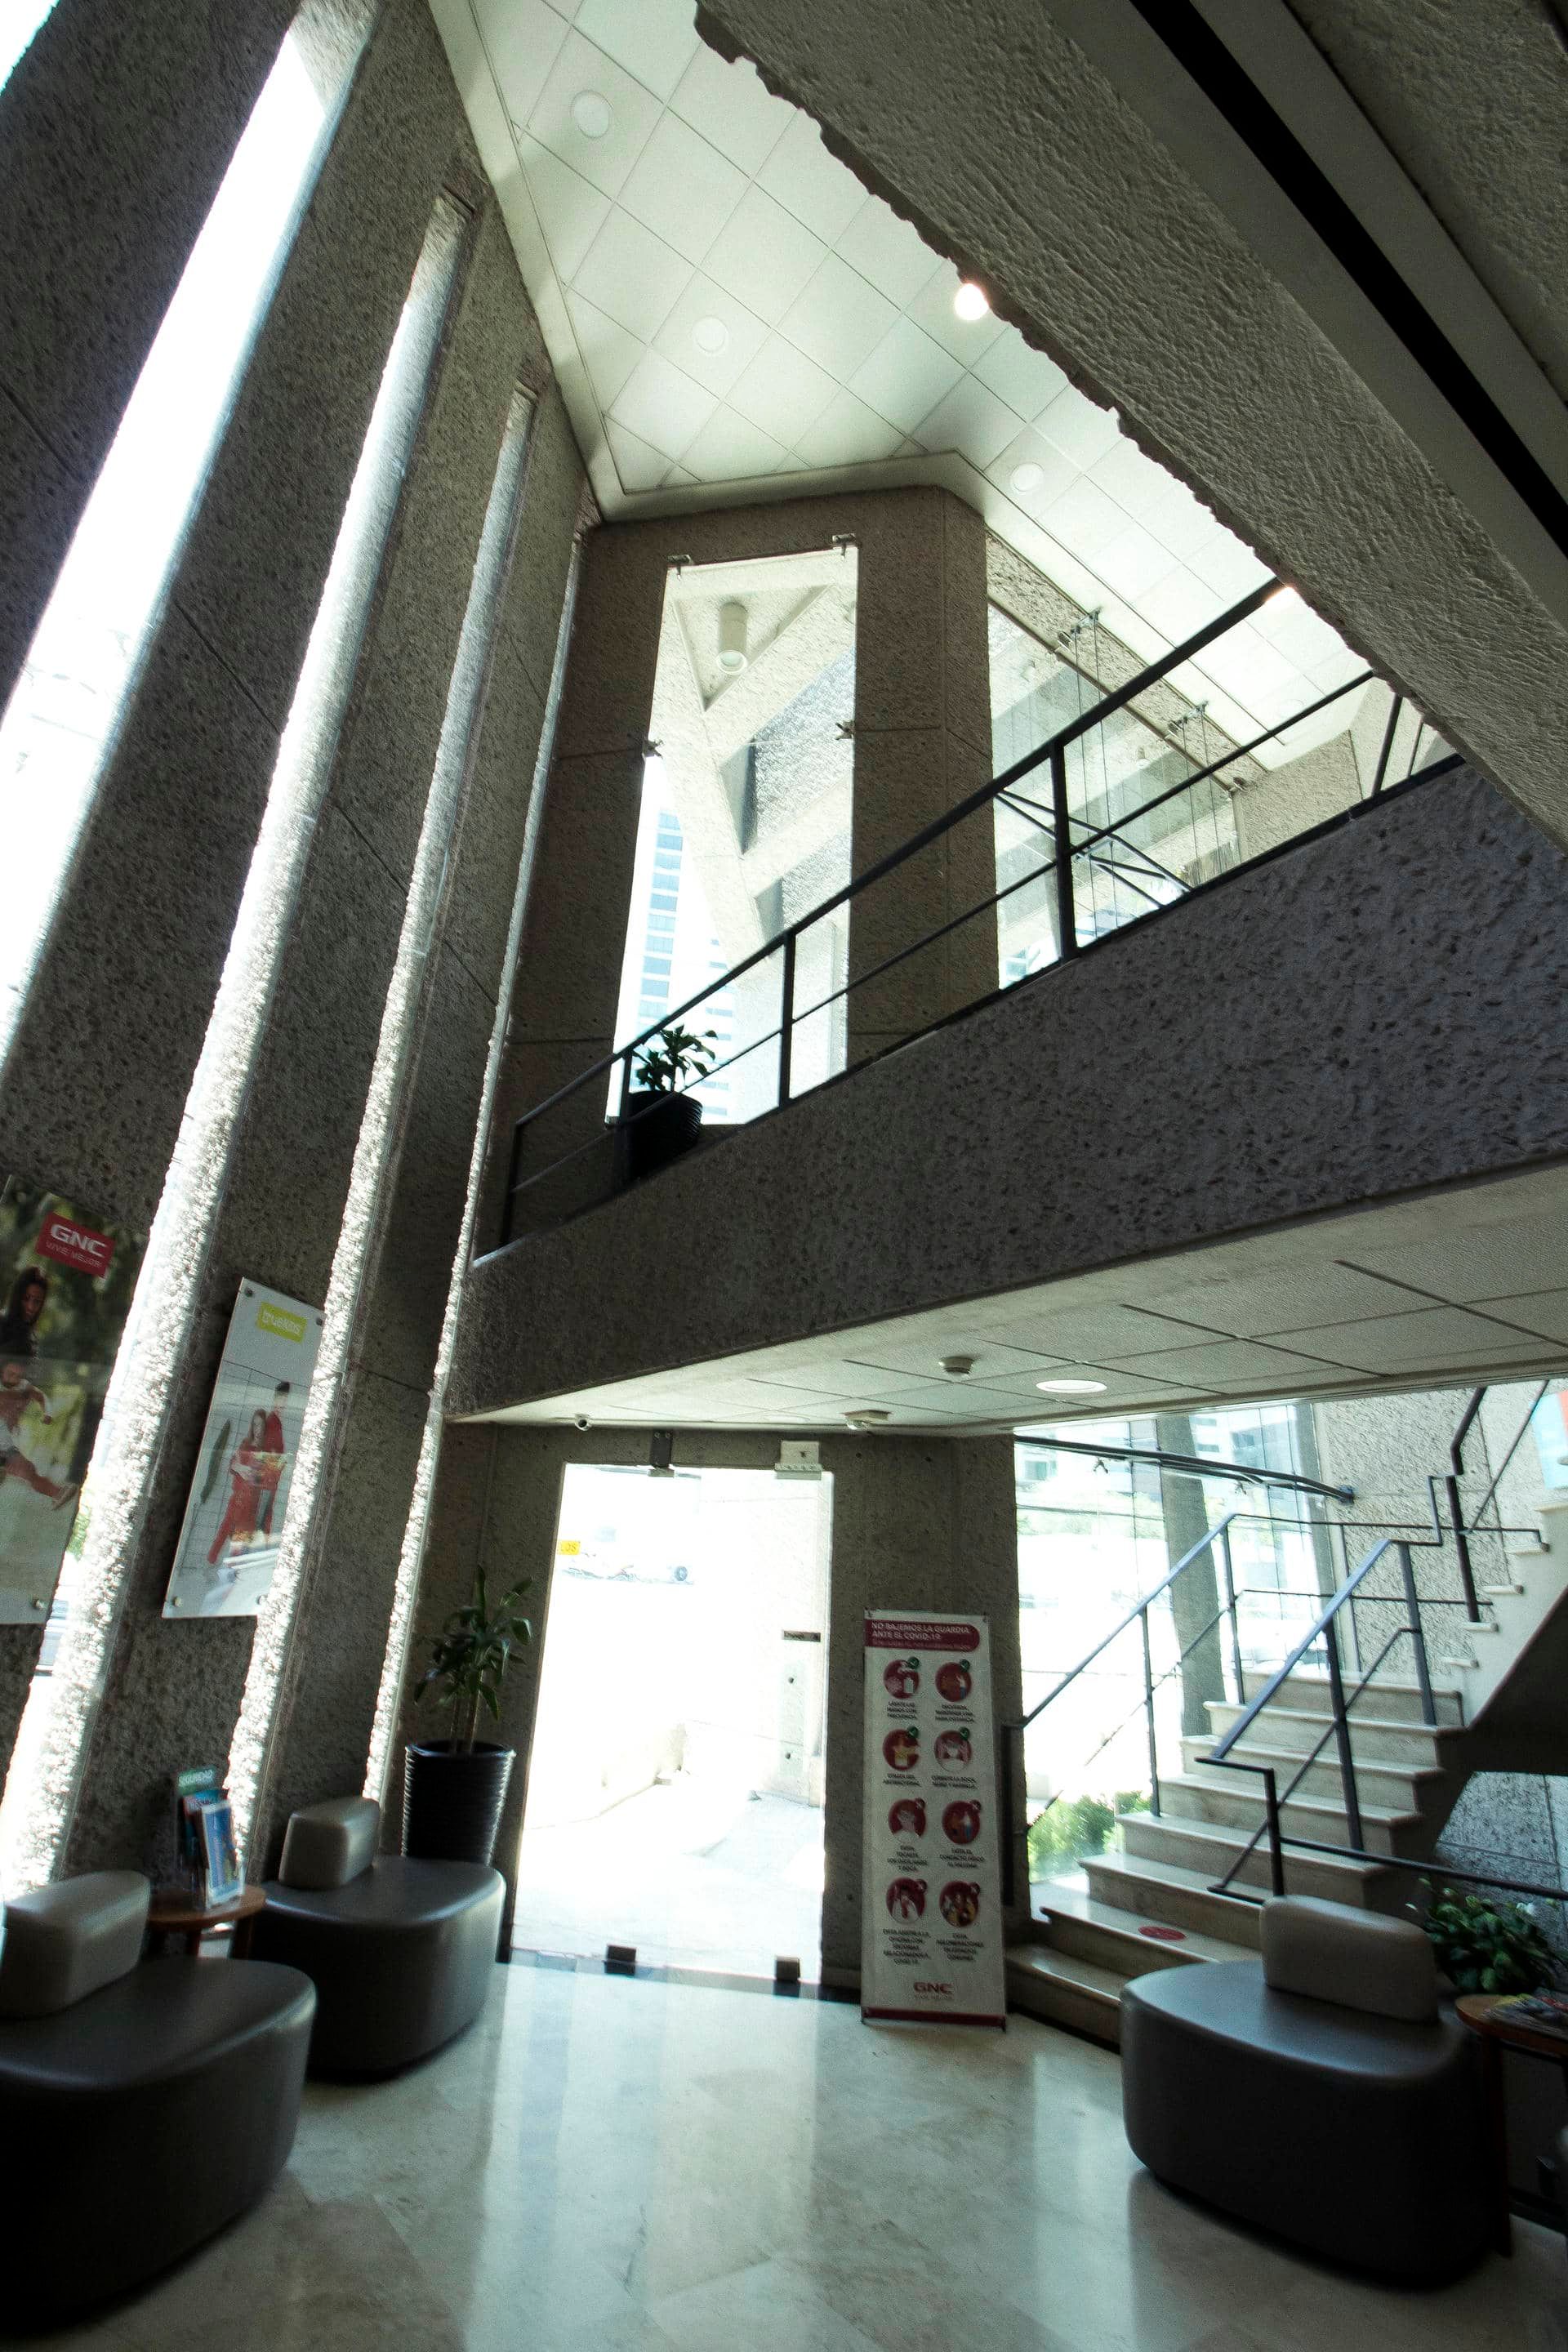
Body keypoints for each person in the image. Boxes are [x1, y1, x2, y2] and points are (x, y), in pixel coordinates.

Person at [0, 1358, 73, 1507]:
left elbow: (40, 1397)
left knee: (28, 1471)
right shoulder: (13, 1394)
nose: (15, 1379)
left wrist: (47, 1413)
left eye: (18, 1376)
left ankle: (57, 1493)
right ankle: (56, 1492)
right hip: (5, 1448)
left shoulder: (24, 1388)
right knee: (25, 1470)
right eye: (11, 1374)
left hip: (6, 1446)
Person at [207, 1410, 268, 1569]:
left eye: (261, 1425)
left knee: (240, 1541)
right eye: (255, 1425)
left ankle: (231, 1570)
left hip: (251, 1504)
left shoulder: (265, 1451)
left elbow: (262, 1479)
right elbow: (233, 1465)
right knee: (224, 1529)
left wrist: (251, 1472)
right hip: (237, 1498)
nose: (258, 1429)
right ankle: (211, 1561)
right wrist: (241, 1468)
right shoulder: (245, 1445)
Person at [256, 1381, 292, 1539]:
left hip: (269, 1482)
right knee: (260, 1525)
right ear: (275, 1399)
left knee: (262, 1523)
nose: (282, 1404)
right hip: (266, 1482)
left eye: (285, 1400)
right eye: (280, 1399)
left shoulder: (276, 1423)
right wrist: (281, 1463)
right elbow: (267, 1454)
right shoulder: (272, 1422)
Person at [0, 1266, 47, 1355]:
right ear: (17, 1297)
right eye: (26, 1298)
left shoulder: (31, 1338)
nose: (31, 1307)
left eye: (37, 1302)